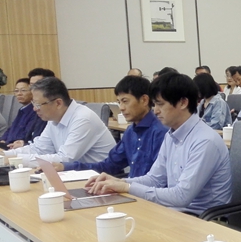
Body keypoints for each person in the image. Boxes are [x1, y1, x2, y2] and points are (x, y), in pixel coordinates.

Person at [85, 72, 232, 215]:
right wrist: (118, 181)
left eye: (160, 104)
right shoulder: (171, 134)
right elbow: (155, 179)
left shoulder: (205, 141)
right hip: (177, 212)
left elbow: (181, 196)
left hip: (204, 218)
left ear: (183, 102)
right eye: (154, 104)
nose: (155, 111)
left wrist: (127, 187)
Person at [54, 75, 167, 178]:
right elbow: (109, 166)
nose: (121, 107)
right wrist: (67, 166)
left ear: (144, 100)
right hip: (131, 188)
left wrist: (122, 184)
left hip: (145, 191)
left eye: (125, 101)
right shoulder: (130, 132)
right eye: (119, 102)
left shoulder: (160, 132)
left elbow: (158, 180)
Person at [2, 77, 115, 167]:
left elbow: (65, 159)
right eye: (33, 104)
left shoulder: (83, 119)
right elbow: (40, 148)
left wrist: (17, 159)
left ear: (58, 103)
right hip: (76, 174)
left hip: (102, 176)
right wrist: (5, 154)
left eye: (38, 104)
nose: (35, 109)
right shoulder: (54, 119)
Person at [0, 78, 45, 149]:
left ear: (32, 92)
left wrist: (7, 143)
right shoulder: (22, 109)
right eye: (16, 91)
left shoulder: (35, 111)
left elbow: (26, 134)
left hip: (19, 146)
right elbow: (11, 129)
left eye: (23, 90)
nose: (19, 94)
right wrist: (3, 139)